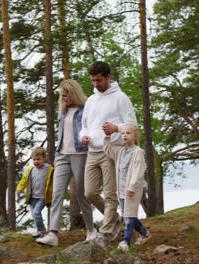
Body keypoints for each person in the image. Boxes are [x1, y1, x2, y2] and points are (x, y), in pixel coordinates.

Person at [79, 61, 137, 247]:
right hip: (92, 151)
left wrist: (116, 128)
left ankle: (105, 234)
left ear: (107, 77)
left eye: (99, 80)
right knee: (89, 193)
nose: (95, 84)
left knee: (110, 193)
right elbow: (84, 126)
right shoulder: (90, 100)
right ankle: (115, 220)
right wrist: (83, 136)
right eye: (93, 81)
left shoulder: (120, 98)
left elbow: (132, 126)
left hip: (112, 150)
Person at [36, 79, 97, 246]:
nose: (63, 98)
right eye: (61, 96)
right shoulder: (62, 110)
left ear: (74, 93)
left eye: (66, 95)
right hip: (62, 155)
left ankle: (91, 230)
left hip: (80, 154)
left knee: (81, 194)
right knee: (57, 193)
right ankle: (53, 234)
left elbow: (92, 129)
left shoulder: (86, 109)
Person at [103, 123, 151, 251]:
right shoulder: (121, 152)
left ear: (135, 136)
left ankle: (126, 242)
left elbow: (138, 171)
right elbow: (108, 150)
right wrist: (107, 137)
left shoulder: (138, 152)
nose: (124, 135)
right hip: (122, 190)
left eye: (128, 133)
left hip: (132, 190)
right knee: (129, 215)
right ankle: (145, 233)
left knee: (128, 217)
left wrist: (132, 187)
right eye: (122, 133)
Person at [16, 147, 54, 238]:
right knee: (34, 214)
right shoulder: (30, 170)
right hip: (32, 197)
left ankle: (42, 231)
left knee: (36, 212)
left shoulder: (49, 169)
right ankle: (40, 230)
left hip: (43, 197)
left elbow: (55, 181)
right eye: (34, 159)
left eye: (38, 159)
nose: (36, 161)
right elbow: (24, 180)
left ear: (44, 158)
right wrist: (19, 188)